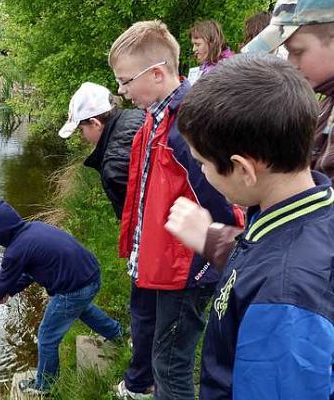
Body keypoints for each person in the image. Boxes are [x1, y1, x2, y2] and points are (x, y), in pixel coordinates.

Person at [174, 52, 334, 400]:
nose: (201, 172)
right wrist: (213, 239)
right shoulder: (308, 212)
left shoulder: (282, 300)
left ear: (244, 169)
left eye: (202, 163)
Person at [108, 20, 240, 400]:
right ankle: (141, 386)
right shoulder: (156, 114)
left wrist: (208, 267)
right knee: (150, 340)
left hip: (184, 272)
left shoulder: (187, 129)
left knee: (171, 365)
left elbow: (221, 206)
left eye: (125, 80)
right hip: (156, 261)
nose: (121, 89)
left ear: (157, 73)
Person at [166, 0, 334, 270]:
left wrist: (219, 243)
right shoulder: (326, 102)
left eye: (298, 51)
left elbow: (316, 250)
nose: (290, 64)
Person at [0, 200, 122, 395]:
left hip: (75, 289)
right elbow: (29, 273)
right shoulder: (34, 228)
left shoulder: (15, 251)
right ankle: (117, 334)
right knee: (82, 309)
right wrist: (10, 292)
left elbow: (2, 280)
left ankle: (45, 386)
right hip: (91, 276)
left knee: (46, 337)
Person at [58, 82, 145, 219]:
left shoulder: (114, 168)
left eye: (81, 130)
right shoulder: (138, 115)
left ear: (95, 124)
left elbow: (136, 221)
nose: (82, 137)